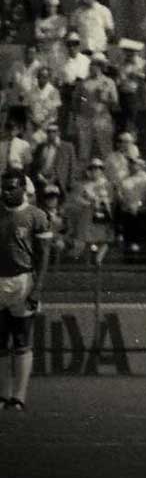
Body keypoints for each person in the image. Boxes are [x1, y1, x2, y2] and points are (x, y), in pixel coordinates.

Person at [1, 168, 53, 410]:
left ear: (23, 188)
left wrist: (38, 288)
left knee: (21, 337)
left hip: (23, 281)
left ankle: (19, 397)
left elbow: (43, 256)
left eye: (12, 187)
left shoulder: (36, 216)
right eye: (4, 187)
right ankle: (3, 395)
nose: (6, 191)